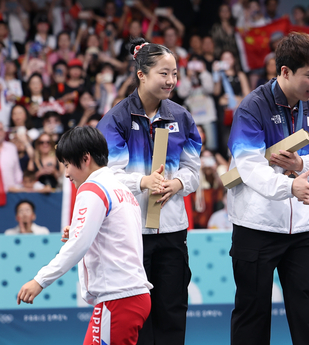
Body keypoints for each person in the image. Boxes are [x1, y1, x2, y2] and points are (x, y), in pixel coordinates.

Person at [227, 32, 309, 345]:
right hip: (256, 225)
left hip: (304, 228)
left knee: (308, 314)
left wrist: (301, 166)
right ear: (285, 72)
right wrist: (290, 187)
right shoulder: (252, 108)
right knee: (252, 314)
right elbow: (249, 166)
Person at [96, 37, 201, 345]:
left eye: (175, 73)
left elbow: (194, 171)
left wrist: (178, 183)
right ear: (141, 74)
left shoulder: (181, 117)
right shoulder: (115, 119)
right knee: (136, 315)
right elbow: (107, 175)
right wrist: (142, 182)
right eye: (163, 73)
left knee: (172, 311)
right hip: (130, 233)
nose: (171, 81)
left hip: (172, 232)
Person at [16, 126, 152, 344]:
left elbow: (78, 245)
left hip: (118, 297)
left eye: (68, 165)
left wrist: (39, 280)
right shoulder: (122, 190)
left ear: (86, 158)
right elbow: (117, 234)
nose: (67, 173)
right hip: (131, 296)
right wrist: (86, 228)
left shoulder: (92, 188)